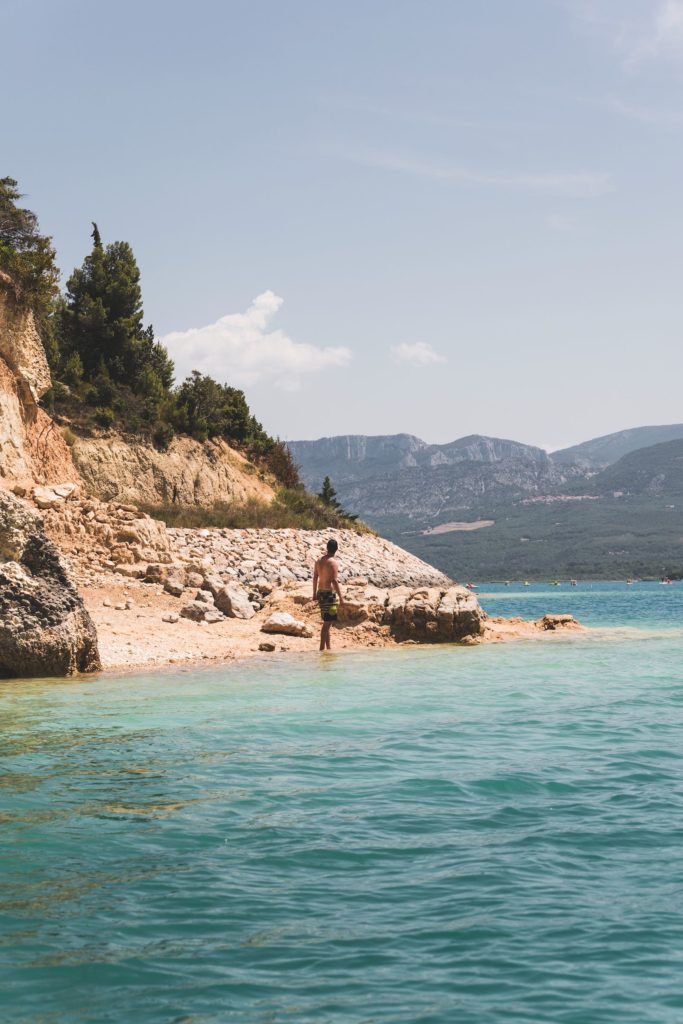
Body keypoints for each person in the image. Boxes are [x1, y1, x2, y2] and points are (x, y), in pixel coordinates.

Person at [313, 538, 345, 651]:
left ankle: (328, 649)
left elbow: (315, 577)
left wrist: (314, 593)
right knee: (327, 624)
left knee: (327, 622)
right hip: (329, 594)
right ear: (336, 549)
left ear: (327, 548)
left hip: (320, 593)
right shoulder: (333, 562)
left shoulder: (318, 560)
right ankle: (321, 649)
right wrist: (341, 598)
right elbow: (334, 581)